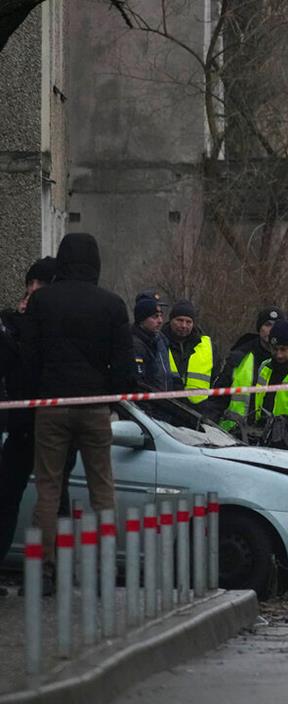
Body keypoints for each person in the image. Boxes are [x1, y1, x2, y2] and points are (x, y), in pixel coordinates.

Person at [21, 233, 134, 594]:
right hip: (94, 407)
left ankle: (42, 572)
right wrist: (113, 403)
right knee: (102, 488)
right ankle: (102, 569)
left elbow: (29, 359)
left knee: (49, 489)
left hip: (51, 407)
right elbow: (124, 367)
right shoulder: (112, 305)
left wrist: (32, 401)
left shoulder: (43, 301)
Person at [0, 257, 60, 582]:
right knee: (8, 497)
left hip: (49, 424)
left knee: (50, 499)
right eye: (36, 285)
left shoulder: (58, 327)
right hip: (22, 425)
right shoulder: (13, 323)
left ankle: (44, 574)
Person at [215, 306, 285, 432]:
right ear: (259, 328)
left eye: (276, 325)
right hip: (236, 433)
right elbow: (218, 399)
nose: (271, 330)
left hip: (277, 437)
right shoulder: (240, 357)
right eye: (267, 325)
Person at [164, 299, 214, 407]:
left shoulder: (206, 345)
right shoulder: (159, 342)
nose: (183, 325)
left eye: (188, 322)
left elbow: (216, 380)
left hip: (198, 411)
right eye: (179, 320)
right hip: (165, 408)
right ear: (171, 320)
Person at [131, 291, 172, 391]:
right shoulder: (134, 344)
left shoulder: (160, 340)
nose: (160, 321)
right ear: (142, 318)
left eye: (161, 315)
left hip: (162, 401)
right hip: (146, 403)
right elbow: (138, 382)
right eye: (155, 316)